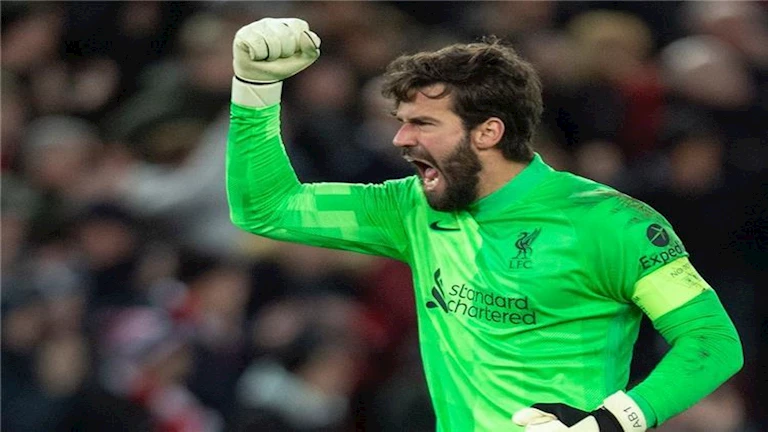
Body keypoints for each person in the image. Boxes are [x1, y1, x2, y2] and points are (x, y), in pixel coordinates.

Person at [225, 18, 744, 432]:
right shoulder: (410, 207)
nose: (400, 139)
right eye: (402, 122)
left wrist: (613, 420)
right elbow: (268, 208)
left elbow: (712, 341)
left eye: (423, 123)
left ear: (488, 132)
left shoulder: (611, 223)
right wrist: (255, 90)